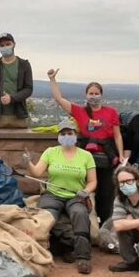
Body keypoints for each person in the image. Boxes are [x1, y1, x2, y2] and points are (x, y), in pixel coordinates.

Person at [48, 69, 124, 224]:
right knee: (85, 192)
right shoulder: (80, 111)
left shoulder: (111, 112)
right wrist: (52, 80)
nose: (93, 96)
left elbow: (117, 135)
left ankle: (104, 226)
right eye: (91, 93)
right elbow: (59, 99)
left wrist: (121, 155)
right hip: (84, 157)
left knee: (106, 193)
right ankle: (85, 223)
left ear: (101, 95)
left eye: (96, 93)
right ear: (86, 95)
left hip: (106, 157)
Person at [24, 118, 97, 274]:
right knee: (46, 216)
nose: (66, 136)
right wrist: (28, 163)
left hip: (75, 195)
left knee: (80, 213)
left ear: (75, 134)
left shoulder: (86, 156)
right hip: (53, 194)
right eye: (63, 134)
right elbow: (36, 172)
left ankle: (83, 257)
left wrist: (86, 191)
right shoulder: (51, 152)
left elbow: (92, 181)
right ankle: (52, 250)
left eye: (69, 133)